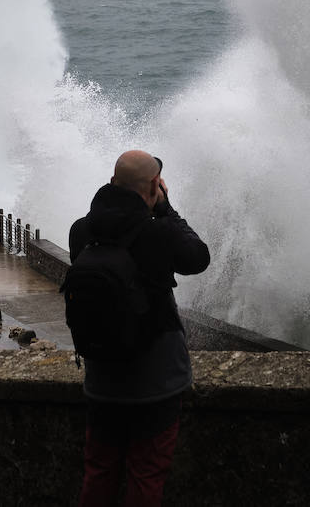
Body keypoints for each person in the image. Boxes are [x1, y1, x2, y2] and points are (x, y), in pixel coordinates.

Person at [67, 151, 211, 507]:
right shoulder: (156, 232)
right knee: (145, 475)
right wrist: (165, 208)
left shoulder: (81, 231)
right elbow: (198, 257)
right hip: (155, 382)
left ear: (112, 182)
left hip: (101, 377)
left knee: (99, 472)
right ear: (154, 185)